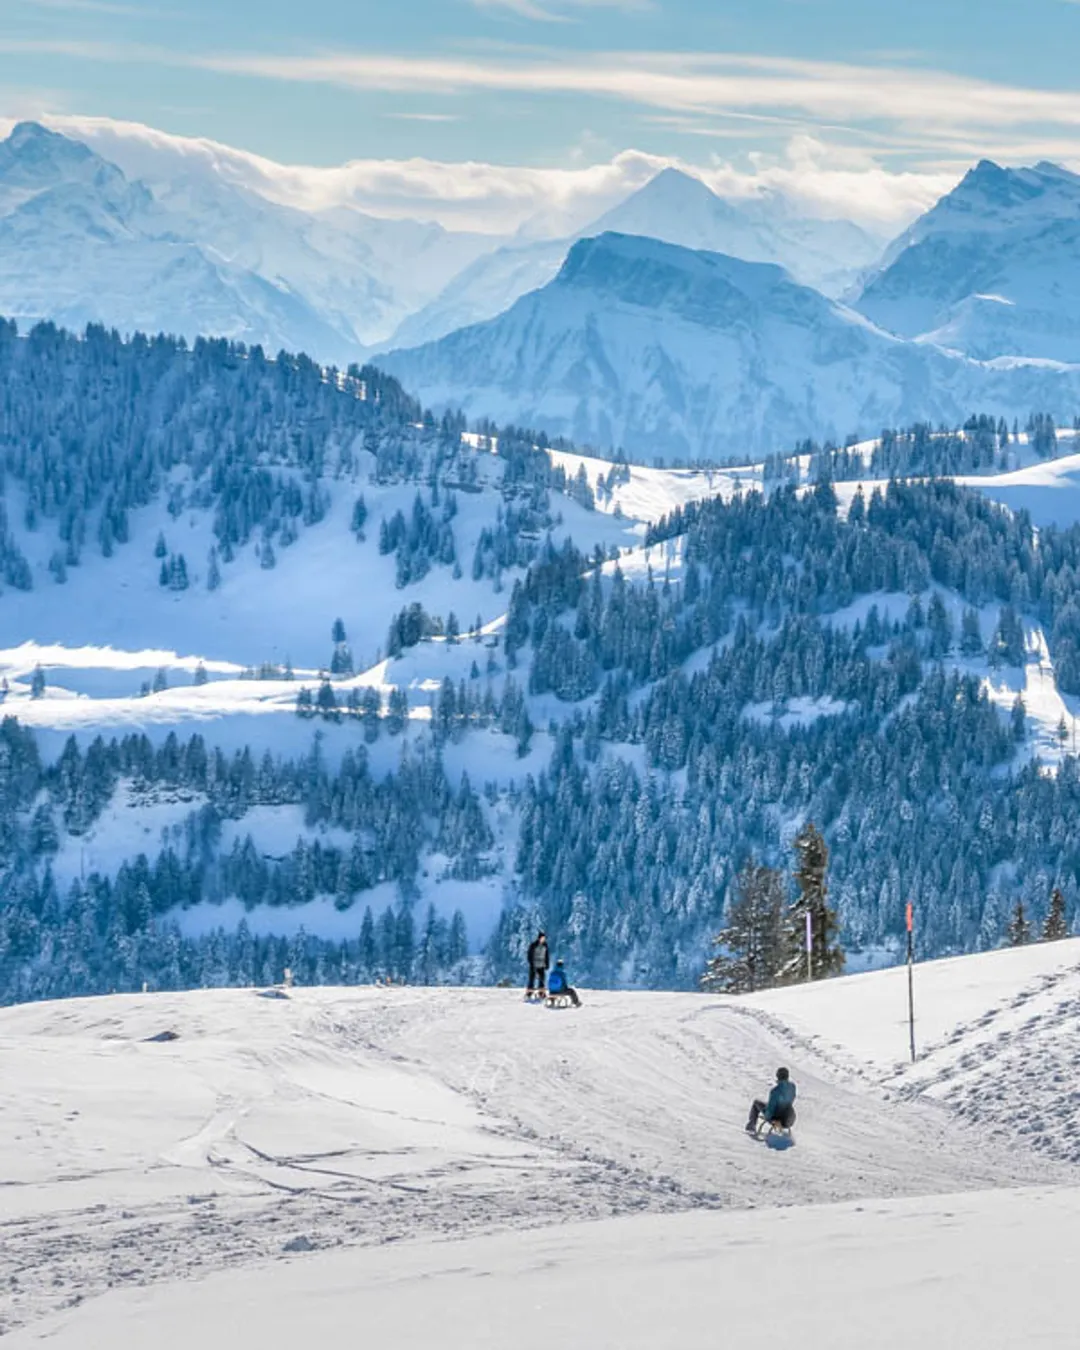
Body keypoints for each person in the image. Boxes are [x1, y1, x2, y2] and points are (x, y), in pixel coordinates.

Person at [746, 1067, 796, 1134]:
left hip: (777, 1119)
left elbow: (770, 1109)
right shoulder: (792, 1087)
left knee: (756, 1102)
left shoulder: (775, 1091)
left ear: (778, 1076)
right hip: (788, 1118)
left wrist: (767, 1117)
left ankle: (751, 1127)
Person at [526, 930, 550, 995]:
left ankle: (541, 993)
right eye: (542, 938)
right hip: (534, 965)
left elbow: (547, 955)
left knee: (542, 979)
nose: (543, 939)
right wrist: (531, 963)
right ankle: (529, 993)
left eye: (544, 938)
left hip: (542, 965)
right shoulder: (533, 945)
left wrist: (547, 964)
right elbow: (529, 955)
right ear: (539, 938)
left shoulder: (545, 945)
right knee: (532, 979)